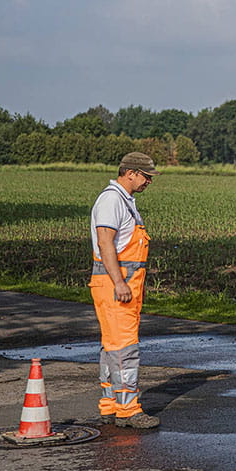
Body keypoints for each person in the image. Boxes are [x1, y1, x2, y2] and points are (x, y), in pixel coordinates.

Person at [89, 152, 160, 428]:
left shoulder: (124, 200)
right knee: (125, 349)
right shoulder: (112, 200)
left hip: (121, 284)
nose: (149, 182)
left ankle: (110, 405)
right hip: (116, 285)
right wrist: (119, 282)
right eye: (146, 176)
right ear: (130, 172)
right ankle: (129, 410)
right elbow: (106, 243)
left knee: (112, 347)